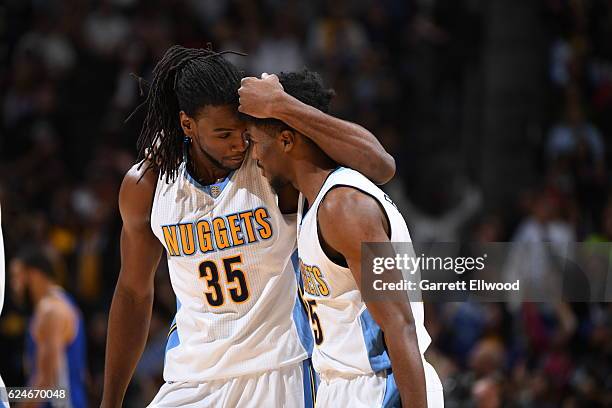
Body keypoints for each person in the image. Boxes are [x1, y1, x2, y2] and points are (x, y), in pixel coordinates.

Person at [101, 45, 395, 407]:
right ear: (187, 124)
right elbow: (133, 292)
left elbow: (380, 165)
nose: (239, 144)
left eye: (242, 132)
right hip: (192, 377)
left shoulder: (269, 166)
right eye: (223, 135)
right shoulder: (147, 185)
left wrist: (281, 105)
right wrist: (109, 402)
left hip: (281, 370)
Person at [243, 69, 444, 407]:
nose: (254, 156)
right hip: (343, 388)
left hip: (380, 388)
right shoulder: (310, 199)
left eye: (256, 143)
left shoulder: (344, 207)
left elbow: (400, 326)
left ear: (287, 140)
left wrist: (280, 104)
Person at [9, 247, 87, 408]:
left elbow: (45, 381)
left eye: (17, 276)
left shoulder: (50, 311)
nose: (13, 285)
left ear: (34, 275)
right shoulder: (64, 302)